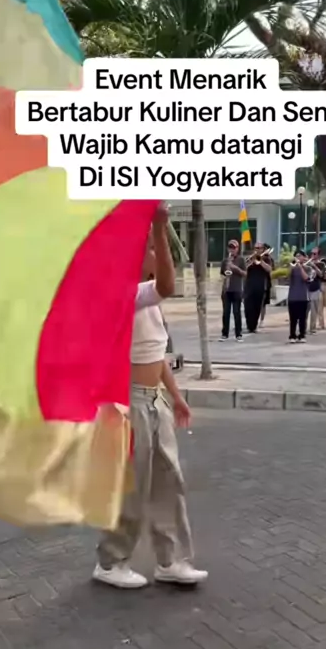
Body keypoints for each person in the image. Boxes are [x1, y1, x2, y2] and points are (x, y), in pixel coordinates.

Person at [94, 205, 208, 589]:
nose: (157, 256)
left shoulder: (147, 302)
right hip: (128, 403)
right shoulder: (119, 294)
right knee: (132, 485)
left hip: (154, 399)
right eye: (151, 251)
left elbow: (155, 356)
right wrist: (159, 225)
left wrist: (175, 397)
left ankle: (170, 560)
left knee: (168, 481)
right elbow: (167, 285)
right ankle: (110, 562)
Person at [220, 240, 246, 341]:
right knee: (226, 313)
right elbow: (222, 274)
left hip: (237, 289)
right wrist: (227, 269)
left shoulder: (241, 260)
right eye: (230, 247)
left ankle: (238, 334)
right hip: (226, 290)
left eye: (234, 248)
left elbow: (245, 274)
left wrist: (235, 268)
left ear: (237, 249)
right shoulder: (225, 261)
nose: (232, 250)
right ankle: (224, 334)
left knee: (236, 312)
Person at [244, 242, 272, 332]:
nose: (258, 249)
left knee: (257, 307)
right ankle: (249, 326)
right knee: (248, 307)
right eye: (256, 248)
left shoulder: (267, 258)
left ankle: (254, 327)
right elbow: (244, 268)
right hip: (249, 286)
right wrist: (252, 261)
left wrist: (261, 261)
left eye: (259, 248)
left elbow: (269, 269)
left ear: (263, 249)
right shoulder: (250, 258)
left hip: (260, 286)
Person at [288, 251, 310, 343]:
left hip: (303, 297)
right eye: (296, 256)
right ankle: (292, 335)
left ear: (304, 258)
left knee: (302, 318)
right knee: (293, 319)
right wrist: (291, 267)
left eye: (299, 256)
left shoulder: (307, 268)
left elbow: (306, 278)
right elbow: (288, 276)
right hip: (292, 297)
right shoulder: (292, 267)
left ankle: (302, 335)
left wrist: (300, 267)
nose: (297, 258)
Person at [307, 249, 323, 334]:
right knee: (305, 310)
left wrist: (314, 266)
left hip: (315, 289)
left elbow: (321, 274)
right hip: (306, 289)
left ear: (318, 255)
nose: (312, 255)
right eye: (311, 253)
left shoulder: (321, 264)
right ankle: (303, 328)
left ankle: (312, 328)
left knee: (314, 310)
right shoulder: (307, 264)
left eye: (314, 254)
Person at [260, 245, 275, 326]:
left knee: (263, 304)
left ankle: (261, 320)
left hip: (266, 284)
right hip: (255, 283)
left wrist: (262, 260)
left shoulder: (269, 259)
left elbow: (270, 270)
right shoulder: (256, 257)